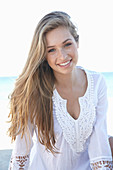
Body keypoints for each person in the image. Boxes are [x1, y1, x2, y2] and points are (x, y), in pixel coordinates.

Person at [8, 11, 113, 170]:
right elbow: (21, 152)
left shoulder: (97, 83)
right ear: (43, 54)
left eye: (67, 44)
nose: (62, 56)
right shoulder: (33, 91)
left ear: (77, 42)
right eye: (52, 50)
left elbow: (99, 143)